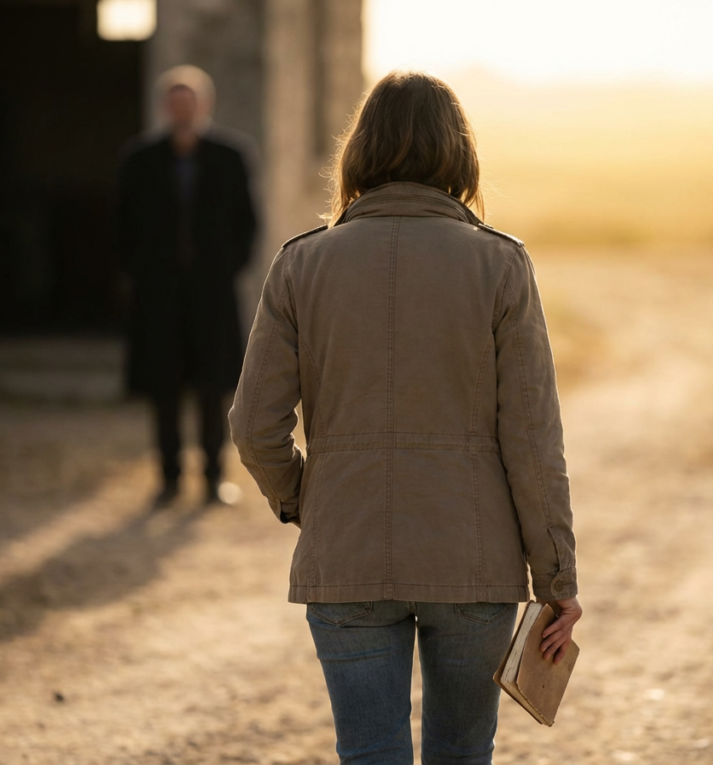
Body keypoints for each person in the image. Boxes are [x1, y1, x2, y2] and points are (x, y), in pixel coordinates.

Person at [229, 71, 581, 764]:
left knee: (369, 752)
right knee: (461, 752)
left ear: (359, 151)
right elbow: (533, 442)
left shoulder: (301, 263)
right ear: (459, 152)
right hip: (473, 564)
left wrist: (306, 498)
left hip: (348, 551)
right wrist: (558, 581)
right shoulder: (501, 265)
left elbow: (252, 426)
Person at [118, 66, 258, 507]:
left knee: (214, 388)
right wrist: (143, 275)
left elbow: (247, 223)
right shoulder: (139, 160)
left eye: (189, 102)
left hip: (212, 295)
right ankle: (169, 478)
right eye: (175, 103)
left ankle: (216, 477)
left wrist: (224, 268)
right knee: (164, 388)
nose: (182, 110)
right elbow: (120, 227)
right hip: (158, 297)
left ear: (203, 106)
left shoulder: (230, 157)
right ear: (166, 107)